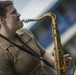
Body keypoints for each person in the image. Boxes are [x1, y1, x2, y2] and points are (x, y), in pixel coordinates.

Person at [0, 1, 72, 75]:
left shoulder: (25, 32)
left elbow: (42, 54)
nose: (19, 14)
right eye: (13, 12)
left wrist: (59, 63)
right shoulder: (1, 53)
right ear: (1, 20)